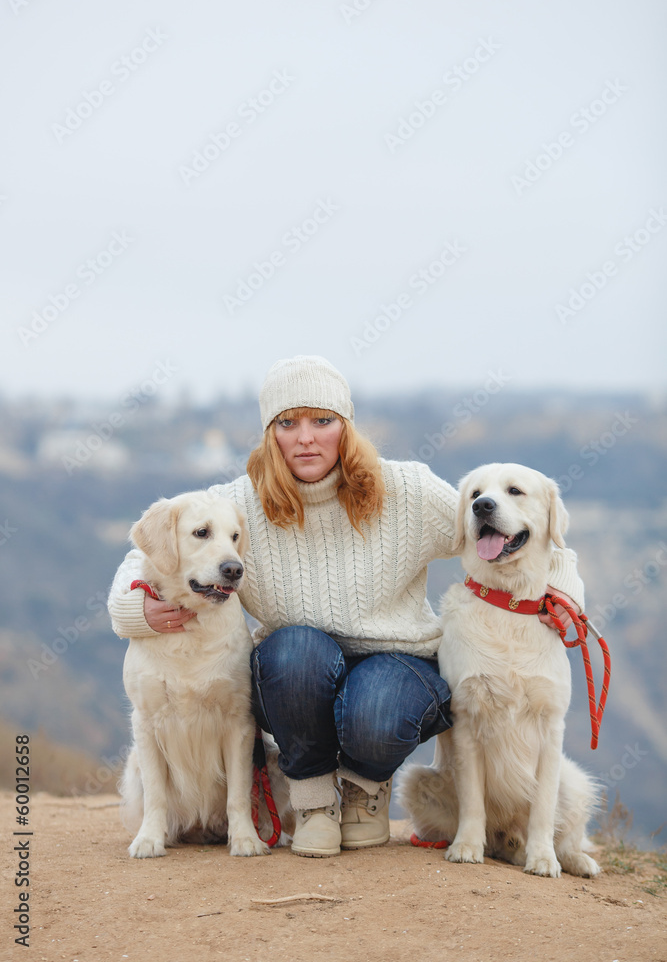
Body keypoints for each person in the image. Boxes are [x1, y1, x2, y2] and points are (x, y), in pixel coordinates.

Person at [108, 355, 584, 858]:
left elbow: (509, 525)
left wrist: (565, 592)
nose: (305, 438)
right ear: (271, 434)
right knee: (291, 651)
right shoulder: (239, 504)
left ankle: (363, 793)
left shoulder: (407, 491)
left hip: (397, 667)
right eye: (288, 423)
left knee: (377, 703)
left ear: (346, 428)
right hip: (298, 670)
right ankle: (313, 802)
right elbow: (150, 547)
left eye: (322, 421)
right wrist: (133, 612)